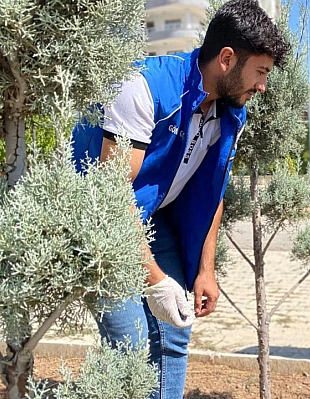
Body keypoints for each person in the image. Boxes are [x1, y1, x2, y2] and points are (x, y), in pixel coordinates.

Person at [71, 1, 289, 397]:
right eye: (260, 72)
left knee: (175, 331)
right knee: (132, 344)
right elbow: (110, 197)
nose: (262, 87)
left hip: (152, 218)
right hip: (95, 220)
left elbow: (212, 191)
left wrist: (206, 271)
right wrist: (156, 282)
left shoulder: (230, 113)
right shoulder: (141, 88)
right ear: (226, 59)